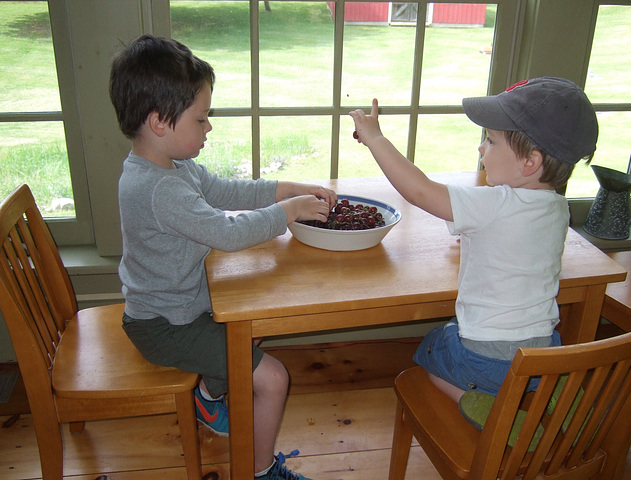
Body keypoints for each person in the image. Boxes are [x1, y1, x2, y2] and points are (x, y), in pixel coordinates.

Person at [109, 34, 336, 480]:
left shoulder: (170, 166)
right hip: (165, 327)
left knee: (245, 331)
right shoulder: (160, 189)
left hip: (181, 307)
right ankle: (260, 470)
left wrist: (286, 188)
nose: (208, 127)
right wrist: (287, 212)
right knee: (271, 378)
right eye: (201, 118)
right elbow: (227, 233)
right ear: (159, 122)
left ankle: (209, 401)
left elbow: (225, 192)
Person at [349, 77, 598, 402]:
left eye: (492, 142)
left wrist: (375, 138)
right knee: (470, 339)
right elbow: (520, 245)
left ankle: (481, 407)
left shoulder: (495, 204)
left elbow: (420, 191)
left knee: (432, 348)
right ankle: (526, 397)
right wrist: (481, 238)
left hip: (488, 357)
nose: (481, 148)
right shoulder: (557, 208)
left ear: (530, 162)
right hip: (541, 351)